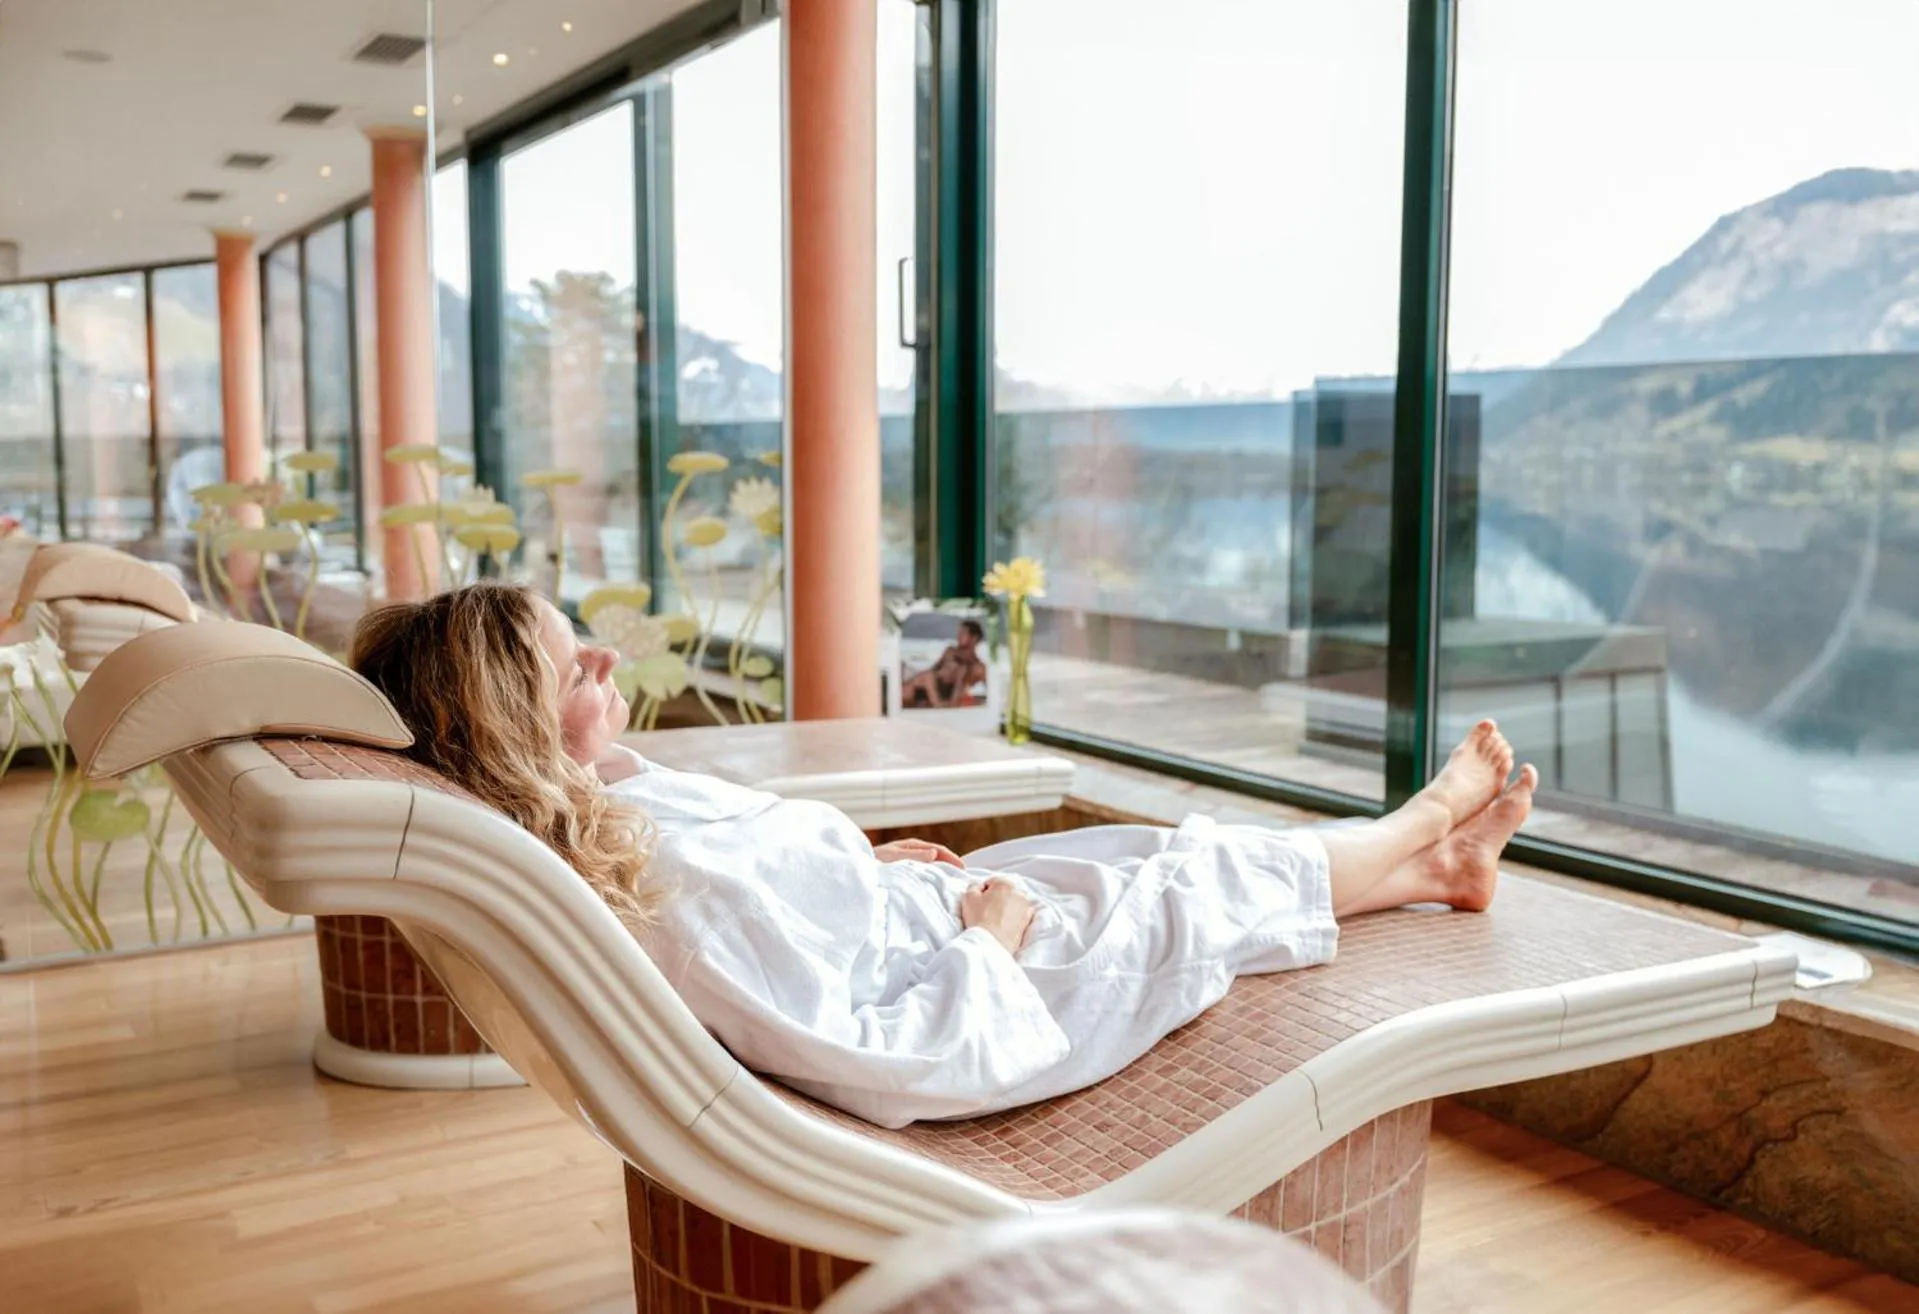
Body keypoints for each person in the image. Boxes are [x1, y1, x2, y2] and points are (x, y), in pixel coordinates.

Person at [350, 584, 1538, 1130]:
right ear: (511, 734)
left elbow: (780, 913)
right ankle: (1423, 820)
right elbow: (884, 1068)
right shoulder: (666, 888)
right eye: (576, 669)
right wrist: (982, 945)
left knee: (1140, 854)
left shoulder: (607, 812)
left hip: (915, 926)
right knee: (1190, 882)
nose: (608, 661)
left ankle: (1437, 873)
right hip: (967, 991)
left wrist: (862, 876)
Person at [900, 618, 988, 708]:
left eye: (963, 633)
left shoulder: (978, 667)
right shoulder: (950, 651)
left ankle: (937, 705)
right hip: (928, 688)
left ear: (974, 638)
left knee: (927, 677)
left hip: (947, 697)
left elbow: (990, 688)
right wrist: (942, 672)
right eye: (959, 633)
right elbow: (934, 669)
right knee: (918, 680)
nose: (958, 636)